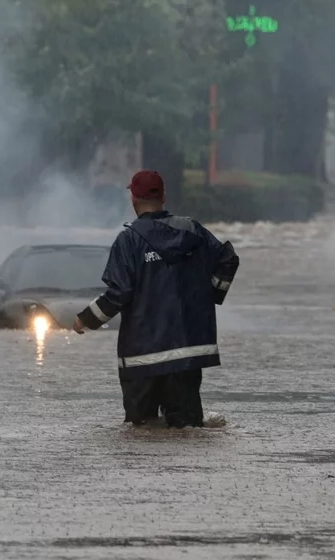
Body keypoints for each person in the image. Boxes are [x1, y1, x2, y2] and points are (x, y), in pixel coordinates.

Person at [72, 169, 239, 428]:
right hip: (187, 354)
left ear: (133, 199)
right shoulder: (193, 230)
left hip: (142, 358)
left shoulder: (128, 241)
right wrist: (211, 293)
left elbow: (119, 293)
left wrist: (85, 320)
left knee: (140, 432)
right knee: (187, 430)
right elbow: (228, 259)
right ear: (164, 195)